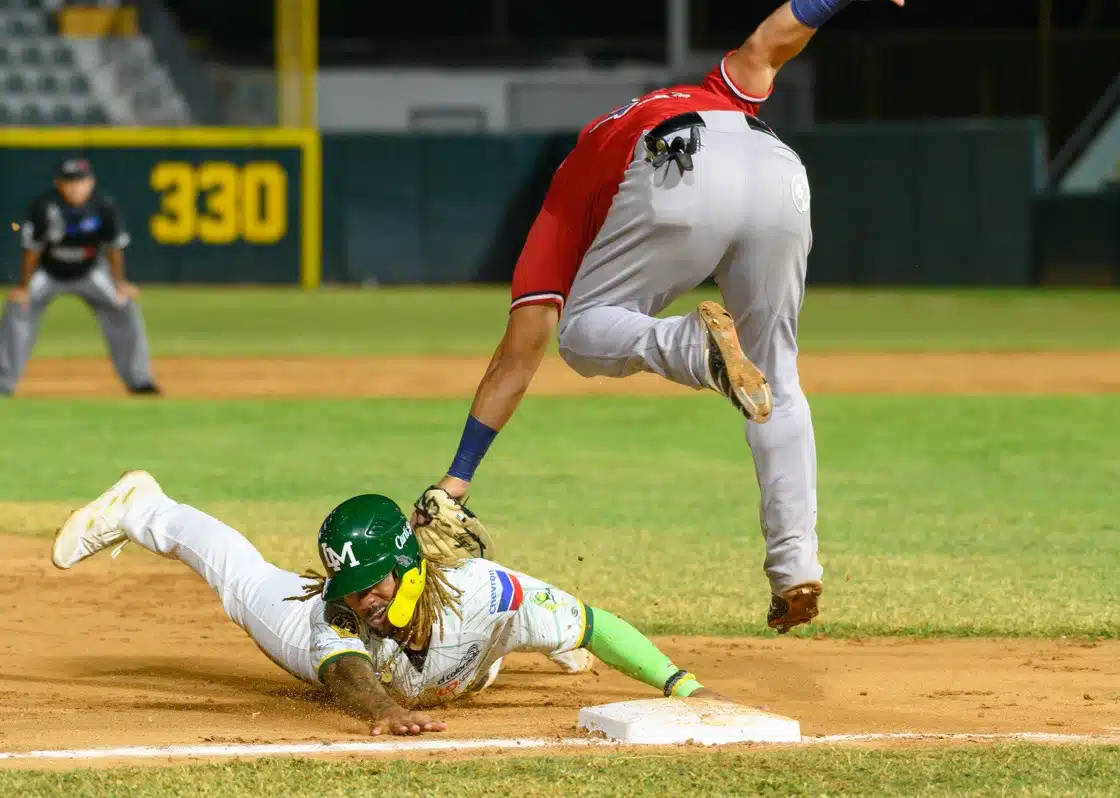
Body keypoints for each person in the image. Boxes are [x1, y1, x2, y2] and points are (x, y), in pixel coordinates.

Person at [425, 0, 904, 633]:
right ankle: (796, 568)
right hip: (777, 165)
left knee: (582, 335)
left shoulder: (576, 177)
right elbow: (772, 41)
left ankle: (689, 342)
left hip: (676, 166)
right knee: (775, 376)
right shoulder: (709, 87)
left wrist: (456, 478)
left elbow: (520, 353)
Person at [51, 471, 734, 735]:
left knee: (545, 628)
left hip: (467, 654)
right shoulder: (334, 613)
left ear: (408, 569)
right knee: (240, 577)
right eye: (352, 590)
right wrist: (383, 712)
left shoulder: (481, 592)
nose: (365, 603)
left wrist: (681, 685)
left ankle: (549, 645)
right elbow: (346, 671)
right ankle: (148, 507)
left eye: (373, 585)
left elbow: (597, 618)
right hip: (369, 663)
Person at [0, 157, 159, 398]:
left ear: (91, 182)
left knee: (124, 305)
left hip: (90, 271)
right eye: (69, 181)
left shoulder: (104, 205)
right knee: (18, 307)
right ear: (58, 184)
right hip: (49, 272)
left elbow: (114, 248)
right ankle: (4, 383)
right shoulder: (44, 206)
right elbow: (32, 250)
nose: (75, 187)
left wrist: (119, 284)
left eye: (81, 181)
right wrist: (24, 287)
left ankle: (140, 381)